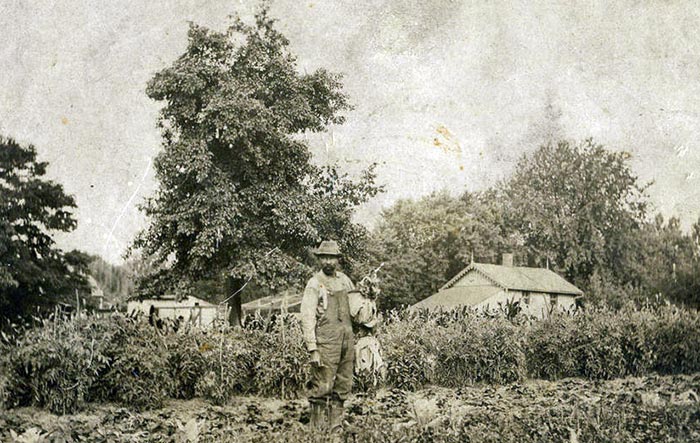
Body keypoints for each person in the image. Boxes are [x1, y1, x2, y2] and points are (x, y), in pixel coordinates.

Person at [300, 240, 377, 433]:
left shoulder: (344, 280)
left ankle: (335, 427)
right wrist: (313, 349)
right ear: (319, 259)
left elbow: (355, 309)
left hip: (347, 340)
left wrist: (369, 297)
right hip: (326, 341)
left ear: (337, 260)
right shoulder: (314, 284)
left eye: (332, 258)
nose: (328, 262)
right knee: (322, 384)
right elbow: (307, 317)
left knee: (343, 383)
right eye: (324, 257)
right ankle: (316, 430)